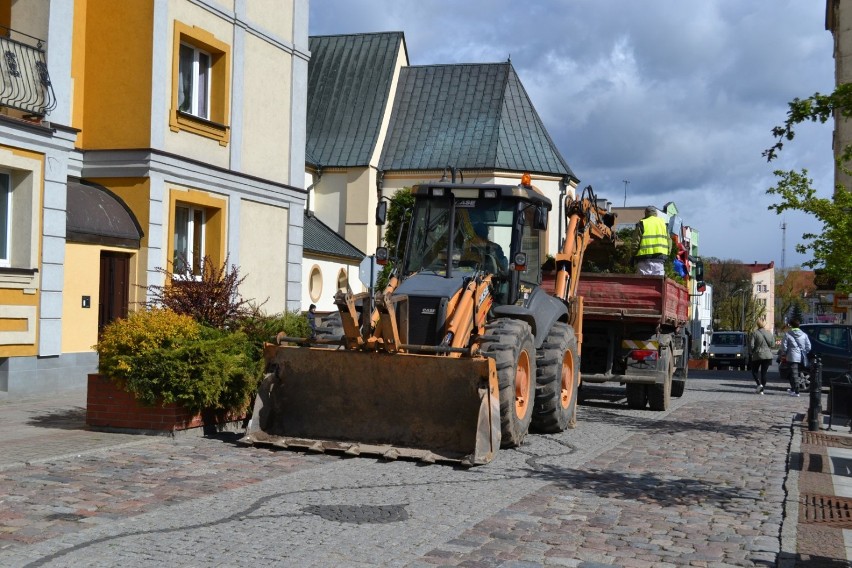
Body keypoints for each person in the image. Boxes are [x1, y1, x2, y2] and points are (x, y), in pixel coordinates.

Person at [633, 206, 670, 276]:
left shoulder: (642, 223)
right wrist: (667, 254)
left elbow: (635, 243)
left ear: (646, 213)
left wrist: (633, 256)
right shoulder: (663, 224)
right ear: (656, 213)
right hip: (659, 262)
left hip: (643, 261)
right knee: (658, 284)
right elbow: (669, 242)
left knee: (643, 285)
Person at [780, 318, 811, 397]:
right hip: (801, 356)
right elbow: (808, 347)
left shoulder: (788, 334)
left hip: (792, 356)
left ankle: (796, 391)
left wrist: (784, 353)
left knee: (794, 373)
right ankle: (793, 389)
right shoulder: (804, 335)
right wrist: (804, 352)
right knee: (794, 372)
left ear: (791, 326)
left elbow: (784, 346)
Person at [749, 319, 774, 394]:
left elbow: (751, 345)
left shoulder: (754, 333)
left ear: (757, 324)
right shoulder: (769, 333)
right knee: (764, 373)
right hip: (768, 355)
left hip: (758, 355)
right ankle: (762, 389)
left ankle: (759, 384)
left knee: (754, 371)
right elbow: (773, 344)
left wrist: (752, 352)